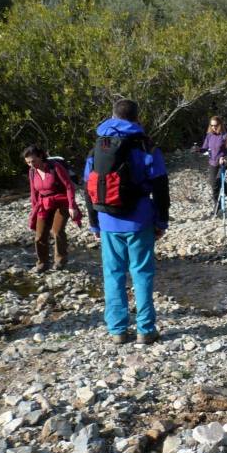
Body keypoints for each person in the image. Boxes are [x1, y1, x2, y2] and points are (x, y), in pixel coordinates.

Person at [83, 99, 170, 345]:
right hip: (140, 220)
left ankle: (118, 330)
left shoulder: (98, 147)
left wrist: (94, 224)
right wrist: (161, 221)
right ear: (137, 118)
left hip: (107, 220)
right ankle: (145, 329)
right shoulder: (147, 148)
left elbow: (88, 188)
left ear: (112, 116)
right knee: (142, 274)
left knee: (113, 275)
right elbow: (161, 188)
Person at [24, 145, 82, 273]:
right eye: (28, 162)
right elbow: (34, 192)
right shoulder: (32, 172)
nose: (31, 165)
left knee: (57, 231)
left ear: (40, 157)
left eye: (33, 161)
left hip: (62, 202)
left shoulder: (55, 167)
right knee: (39, 236)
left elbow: (69, 186)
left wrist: (72, 206)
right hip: (44, 204)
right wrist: (34, 210)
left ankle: (60, 260)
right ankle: (42, 263)